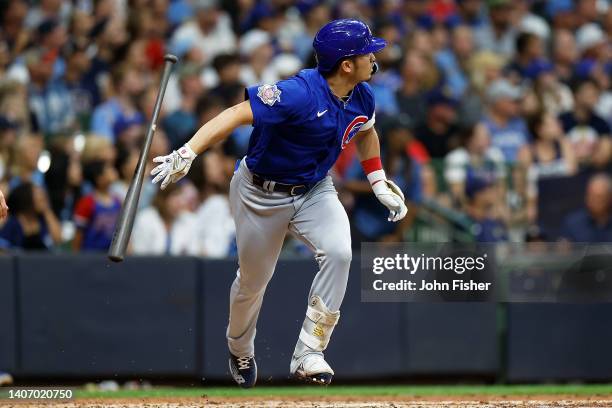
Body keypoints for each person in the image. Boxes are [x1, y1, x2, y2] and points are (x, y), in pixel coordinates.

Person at [149, 19, 407, 387]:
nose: (374, 56)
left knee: (340, 252)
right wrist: (189, 151)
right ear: (346, 64)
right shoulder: (299, 92)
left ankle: (309, 352)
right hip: (259, 194)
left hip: (314, 189)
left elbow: (365, 131)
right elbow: (236, 114)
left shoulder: (362, 94)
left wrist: (378, 181)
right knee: (253, 282)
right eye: (368, 51)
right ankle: (239, 349)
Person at [131, 183, 199, 255]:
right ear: (163, 198)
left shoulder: (190, 220)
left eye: (181, 198)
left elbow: (193, 252)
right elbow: (139, 252)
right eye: (174, 196)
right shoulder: (146, 218)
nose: (179, 202)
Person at [72, 159, 120, 251]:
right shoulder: (87, 203)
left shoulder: (117, 201)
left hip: (110, 255)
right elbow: (78, 234)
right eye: (108, 170)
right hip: (91, 256)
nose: (113, 171)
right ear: (99, 179)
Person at [0, 182, 61, 250]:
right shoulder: (13, 223)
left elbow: (58, 239)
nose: (43, 200)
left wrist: (47, 211)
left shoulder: (43, 220)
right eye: (40, 199)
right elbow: (3, 247)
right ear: (26, 199)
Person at [560, 174, 612, 242]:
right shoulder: (572, 223)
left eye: (599, 197)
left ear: (609, 197)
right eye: (591, 196)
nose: (594, 201)